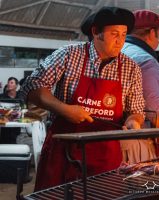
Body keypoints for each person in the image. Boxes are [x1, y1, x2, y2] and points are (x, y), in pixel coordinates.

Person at [20, 6, 145, 191]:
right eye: (114, 34)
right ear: (96, 32)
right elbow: (32, 86)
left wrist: (134, 122)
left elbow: (136, 111)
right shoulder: (69, 55)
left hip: (105, 155)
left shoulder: (131, 68)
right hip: (63, 152)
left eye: (124, 34)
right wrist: (64, 109)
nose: (120, 41)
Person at [121, 10, 159, 159]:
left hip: (108, 141)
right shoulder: (146, 62)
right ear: (152, 33)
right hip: (136, 145)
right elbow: (156, 114)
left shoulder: (119, 51)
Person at [0, 77, 22, 144]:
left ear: (16, 85)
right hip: (4, 124)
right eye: (8, 82)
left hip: (16, 124)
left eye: (11, 83)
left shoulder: (20, 96)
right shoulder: (2, 96)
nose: (9, 84)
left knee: (14, 140)